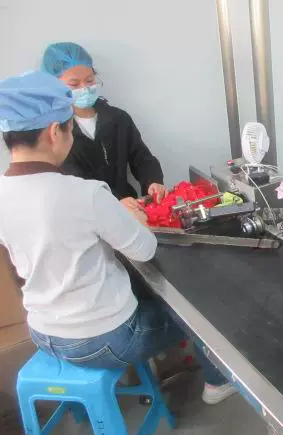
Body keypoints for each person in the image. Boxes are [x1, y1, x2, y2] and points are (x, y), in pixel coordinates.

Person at [0, 71, 234, 405]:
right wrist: (134, 220)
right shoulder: (86, 194)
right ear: (54, 131)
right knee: (202, 305)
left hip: (43, 332)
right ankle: (217, 384)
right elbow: (145, 248)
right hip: (106, 339)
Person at [41, 42, 166, 211]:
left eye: (89, 80)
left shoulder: (118, 119)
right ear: (54, 86)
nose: (85, 89)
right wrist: (113, 203)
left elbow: (142, 158)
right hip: (87, 214)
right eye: (74, 84)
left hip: (131, 208)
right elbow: (73, 182)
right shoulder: (56, 132)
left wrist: (153, 182)